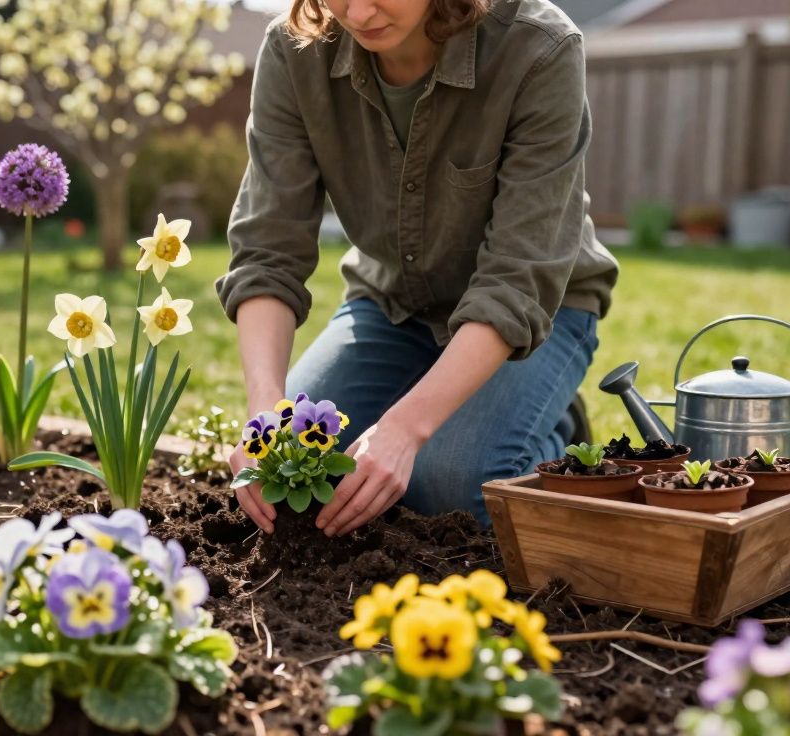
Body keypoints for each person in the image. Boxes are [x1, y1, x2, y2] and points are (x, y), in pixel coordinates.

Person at [216, 0, 619, 536]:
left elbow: (516, 280)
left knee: (452, 487)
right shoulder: (296, 53)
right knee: (307, 469)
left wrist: (404, 430)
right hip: (391, 305)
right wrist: (267, 417)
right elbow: (268, 250)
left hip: (534, 317)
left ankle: (553, 426)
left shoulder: (538, 49)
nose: (357, 12)